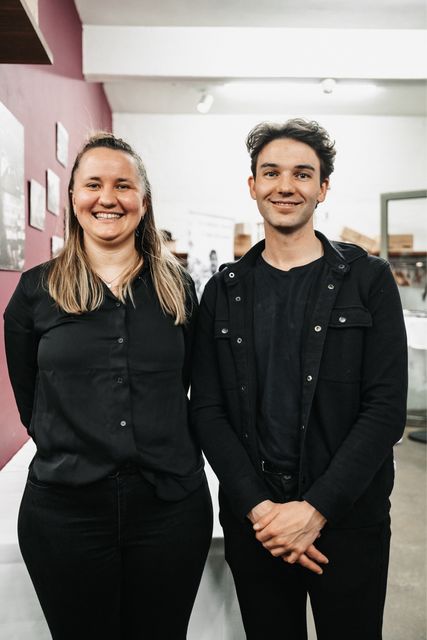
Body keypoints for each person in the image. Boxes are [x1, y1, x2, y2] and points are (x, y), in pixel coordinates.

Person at [190, 119, 407, 640]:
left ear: (322, 188)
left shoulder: (369, 280)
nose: (285, 186)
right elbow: (207, 409)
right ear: (252, 185)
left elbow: (384, 411)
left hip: (347, 520)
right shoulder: (223, 291)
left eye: (302, 174)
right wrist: (261, 510)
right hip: (258, 525)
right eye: (271, 173)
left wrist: (315, 511)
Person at [4, 132, 212, 640]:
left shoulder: (179, 289)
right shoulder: (36, 291)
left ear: (144, 200)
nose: (108, 198)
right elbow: (30, 397)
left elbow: (188, 385)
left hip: (169, 508)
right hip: (65, 512)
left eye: (123, 185)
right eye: (93, 184)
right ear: (73, 197)